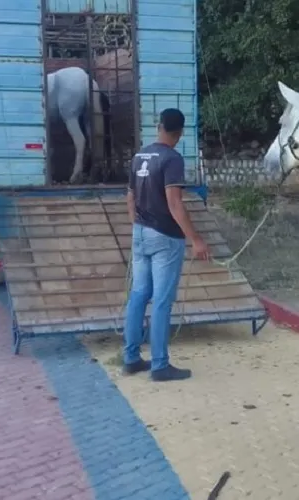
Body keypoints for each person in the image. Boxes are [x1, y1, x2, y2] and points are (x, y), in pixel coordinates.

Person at [123, 108, 210, 382]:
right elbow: (174, 204)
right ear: (180, 132)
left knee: (138, 295)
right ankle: (160, 365)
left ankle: (131, 358)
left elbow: (129, 197)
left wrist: (137, 224)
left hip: (140, 232)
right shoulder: (172, 159)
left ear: (159, 126)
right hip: (165, 238)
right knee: (161, 301)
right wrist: (196, 239)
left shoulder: (139, 156)